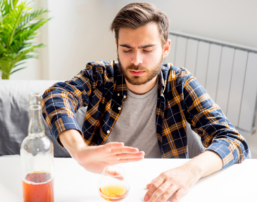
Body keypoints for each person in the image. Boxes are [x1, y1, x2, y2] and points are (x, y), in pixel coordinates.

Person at [42, 2, 249, 202]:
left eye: (147, 50)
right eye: (127, 49)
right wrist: (80, 150)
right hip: (103, 185)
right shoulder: (100, 75)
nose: (136, 60)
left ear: (165, 48)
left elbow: (233, 140)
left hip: (160, 188)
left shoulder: (180, 83)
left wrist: (189, 171)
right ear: (116, 46)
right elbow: (55, 96)